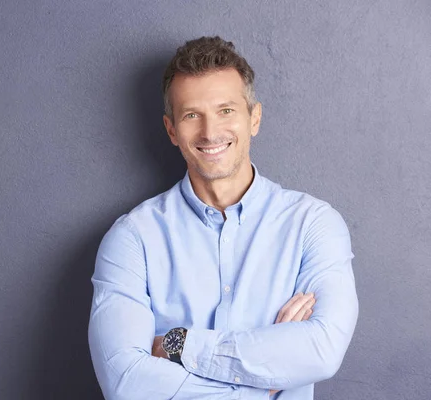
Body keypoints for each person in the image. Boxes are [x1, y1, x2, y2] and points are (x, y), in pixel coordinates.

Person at [88, 36, 358, 400]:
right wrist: (263, 383)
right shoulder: (132, 238)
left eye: (226, 110)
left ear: (255, 118)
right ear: (172, 130)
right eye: (191, 115)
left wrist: (180, 344)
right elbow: (126, 383)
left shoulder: (313, 225)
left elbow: (322, 350)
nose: (210, 132)